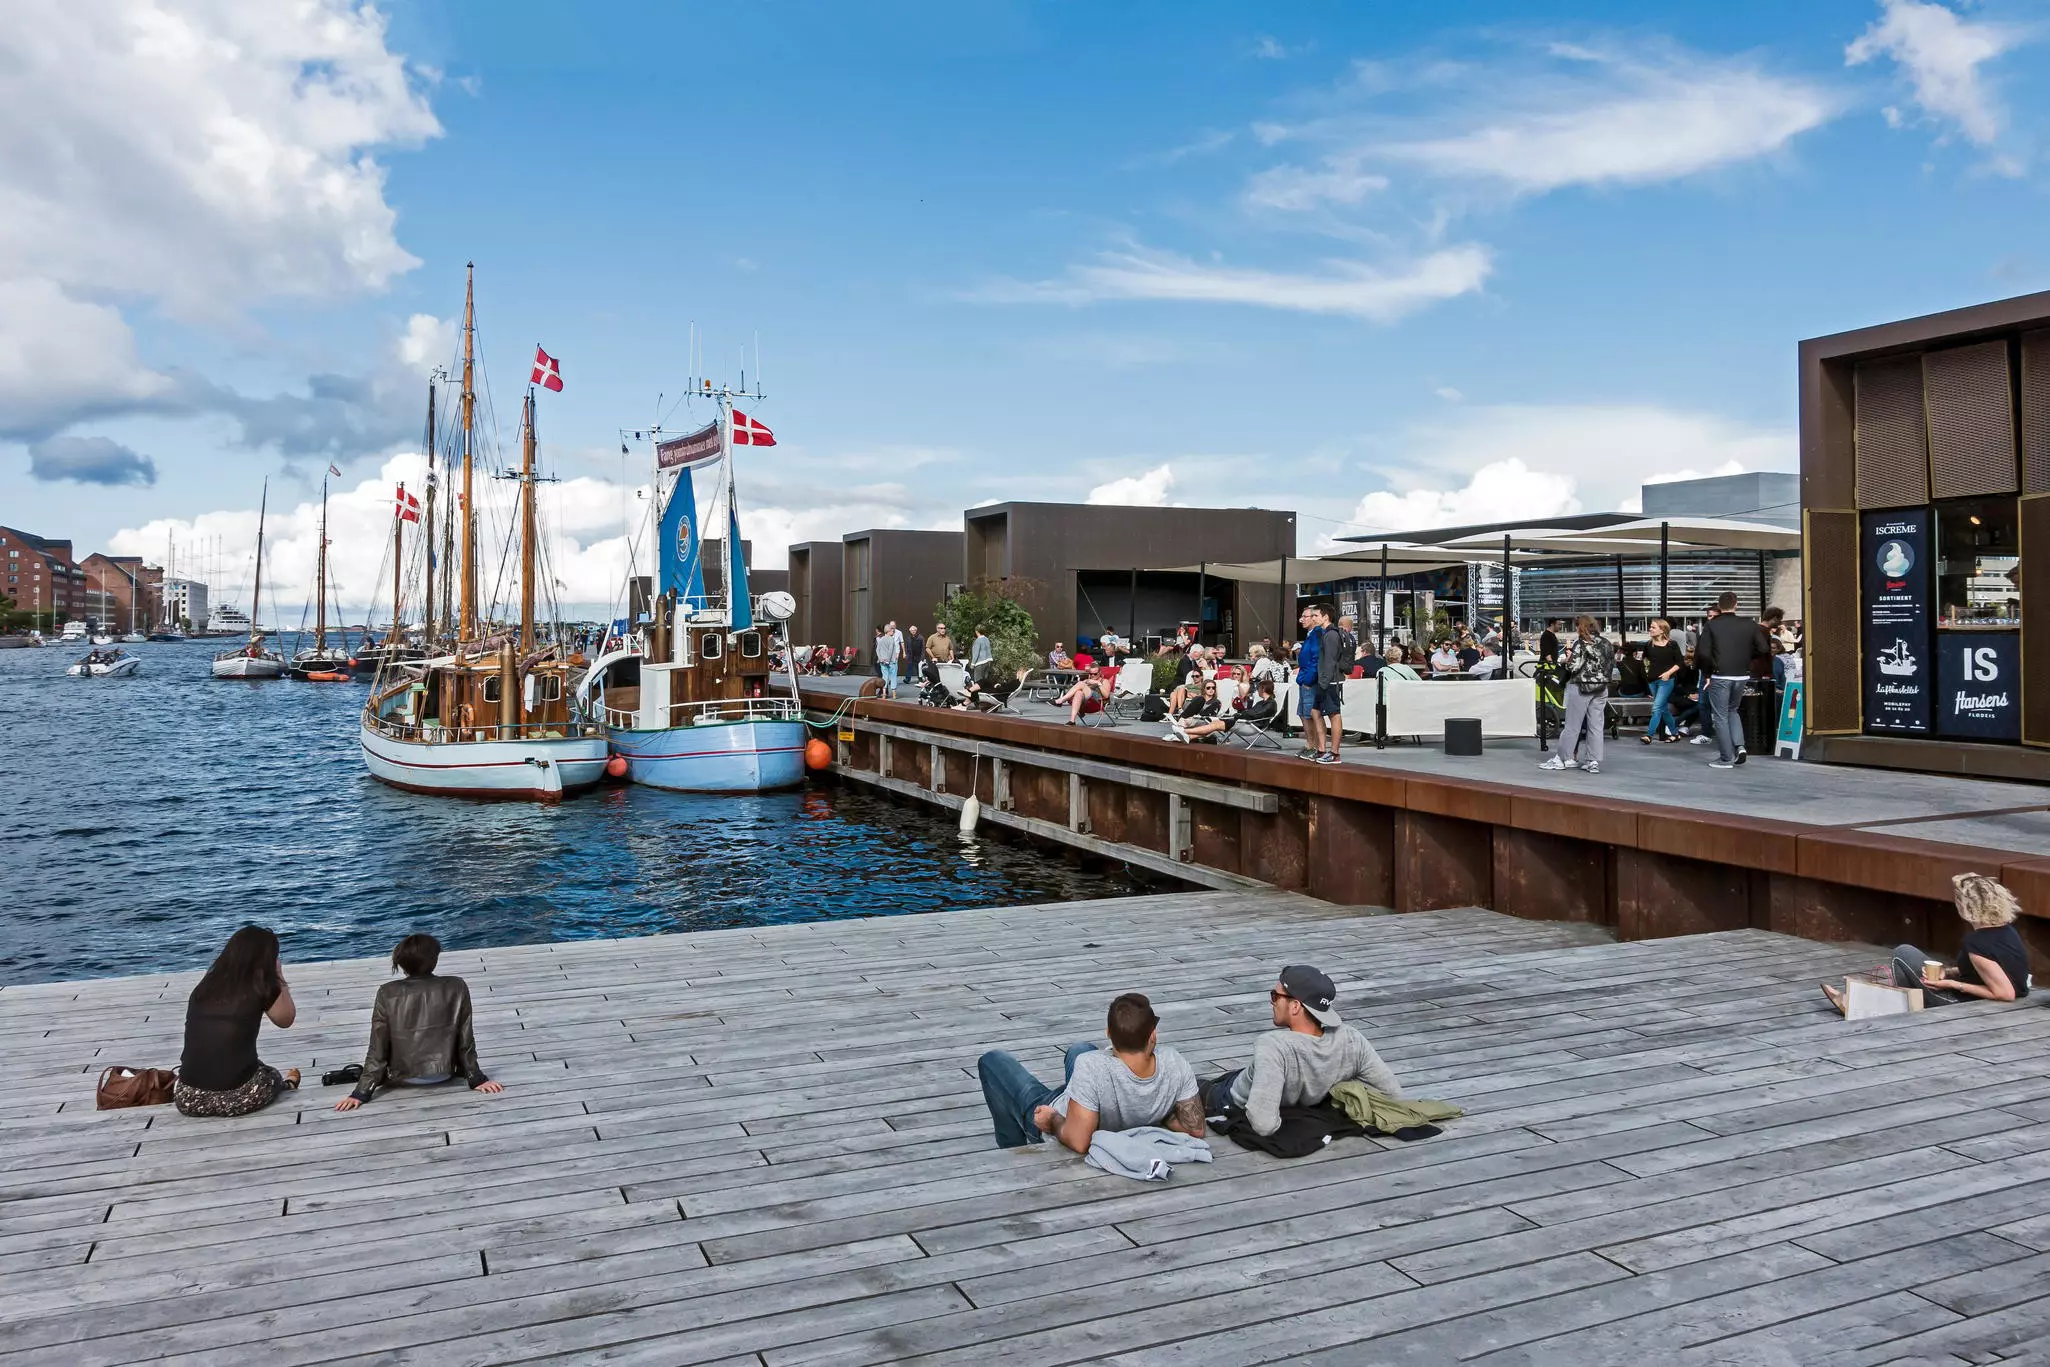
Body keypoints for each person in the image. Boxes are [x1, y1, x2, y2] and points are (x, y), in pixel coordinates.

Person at [976, 992, 1204, 1151]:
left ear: (1108, 1033)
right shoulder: (1175, 1061)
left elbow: (1079, 1141)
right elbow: (1195, 1130)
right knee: (1080, 1048)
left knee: (992, 1061)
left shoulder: (1091, 1066)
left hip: (1057, 1116)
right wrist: (1159, 1112)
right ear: (1153, 1035)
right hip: (1090, 1103)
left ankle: (1013, 1149)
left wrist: (1052, 1120)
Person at [1201, 965, 1402, 1137]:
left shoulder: (1273, 1046)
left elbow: (1263, 1124)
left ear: (1295, 1006)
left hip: (1224, 1097)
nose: (1272, 1001)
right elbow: (1394, 1095)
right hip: (1258, 1079)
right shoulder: (1351, 1038)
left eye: (1275, 996)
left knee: (1192, 1086)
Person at [335, 934, 505, 1111]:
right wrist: (476, 1078)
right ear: (433, 960)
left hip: (403, 1077)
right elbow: (466, 1039)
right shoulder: (456, 986)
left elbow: (377, 1048)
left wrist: (361, 1093)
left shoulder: (387, 992)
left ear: (401, 963)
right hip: (445, 1073)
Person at [1823, 873, 2032, 1014]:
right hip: (1980, 999)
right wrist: (1948, 972)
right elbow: (1990, 970)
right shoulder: (2006, 931)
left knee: (1903, 953)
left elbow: (2006, 993)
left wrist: (1953, 984)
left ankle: (1879, 1005)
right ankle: (1888, 1002)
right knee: (1913, 966)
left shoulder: (1976, 943)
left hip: (1965, 1005)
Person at [175, 925, 299, 1118]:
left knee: (249, 1065)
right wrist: (278, 977)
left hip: (188, 1097)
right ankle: (288, 1084)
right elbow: (286, 1019)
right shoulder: (261, 987)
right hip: (237, 1097)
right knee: (270, 1075)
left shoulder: (204, 987)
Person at [1697, 591, 1767, 770]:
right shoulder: (1749, 624)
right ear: (1736, 604)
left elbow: (1703, 652)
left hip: (1720, 675)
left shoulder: (1712, 625)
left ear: (1719, 606)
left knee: (1720, 716)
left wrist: (1707, 673)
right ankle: (1740, 746)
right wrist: (1746, 657)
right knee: (1732, 711)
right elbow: (1763, 648)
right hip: (1741, 674)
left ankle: (1726, 758)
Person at [1540, 615, 1613, 775]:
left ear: (1581, 626)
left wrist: (1567, 660)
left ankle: (1561, 759)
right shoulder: (1606, 643)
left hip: (1581, 686)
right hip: (1601, 688)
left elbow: (1573, 667)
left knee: (1573, 725)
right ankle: (1593, 761)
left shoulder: (1580, 643)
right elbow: (1610, 664)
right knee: (1596, 725)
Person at [1296, 604, 1344, 765]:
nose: (1313, 618)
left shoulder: (1329, 635)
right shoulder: (1322, 634)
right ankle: (1321, 749)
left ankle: (1334, 753)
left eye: (1315, 615)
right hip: (1322, 680)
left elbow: (1327, 660)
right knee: (1315, 712)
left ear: (1325, 617)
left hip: (1327, 681)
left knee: (1333, 714)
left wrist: (1316, 680)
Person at [1641, 618, 1685, 743]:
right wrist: (1647, 677)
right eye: (1650, 627)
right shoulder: (1648, 645)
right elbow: (1645, 661)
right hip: (1652, 681)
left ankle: (1649, 735)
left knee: (1656, 708)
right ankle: (1675, 734)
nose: (1650, 629)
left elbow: (1680, 663)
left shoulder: (1672, 644)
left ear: (1662, 630)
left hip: (1666, 681)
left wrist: (1668, 673)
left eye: (1653, 627)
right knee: (1663, 709)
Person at [1166, 678, 1223, 742]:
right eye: (1208, 688)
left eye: (1213, 688)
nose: (1211, 689)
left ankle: (1177, 732)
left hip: (1203, 722)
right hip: (1189, 719)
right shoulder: (1198, 699)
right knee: (1200, 699)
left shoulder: (1216, 702)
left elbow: (1209, 717)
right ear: (1204, 689)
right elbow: (1189, 710)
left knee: (1200, 701)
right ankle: (1180, 729)